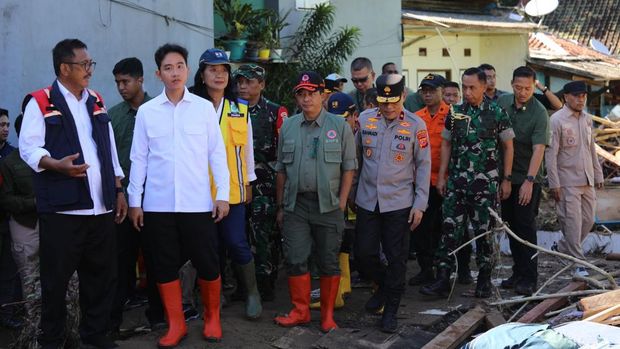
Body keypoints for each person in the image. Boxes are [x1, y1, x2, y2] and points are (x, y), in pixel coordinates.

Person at [19, 38, 127, 349]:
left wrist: (118, 188)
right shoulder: (40, 101)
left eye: (91, 64)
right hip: (63, 212)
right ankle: (52, 340)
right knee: (56, 282)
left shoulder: (95, 99)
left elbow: (109, 150)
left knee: (102, 279)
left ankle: (95, 336)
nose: (90, 70)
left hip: (100, 208)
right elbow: (29, 148)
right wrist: (56, 165)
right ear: (65, 68)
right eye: (84, 65)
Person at [128, 43, 230, 347]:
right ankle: (176, 324)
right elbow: (139, 159)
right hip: (158, 204)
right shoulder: (147, 113)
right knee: (163, 264)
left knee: (208, 262)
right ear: (159, 74)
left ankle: (212, 318)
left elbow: (217, 155)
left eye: (180, 66)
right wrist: (135, 201)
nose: (175, 73)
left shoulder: (203, 109)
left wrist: (222, 195)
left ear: (188, 70)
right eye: (169, 68)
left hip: (197, 203)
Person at [420, 67, 515, 299]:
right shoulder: (455, 113)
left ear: (484, 86)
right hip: (457, 183)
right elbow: (446, 144)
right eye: (465, 87)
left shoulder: (496, 112)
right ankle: (443, 278)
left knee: (484, 233)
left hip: (485, 186)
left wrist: (507, 179)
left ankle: (483, 279)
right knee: (449, 230)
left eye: (472, 87)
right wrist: (442, 176)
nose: (468, 92)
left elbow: (508, 146)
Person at [274, 71, 356, 333]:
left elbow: (348, 168)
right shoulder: (288, 126)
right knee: (296, 258)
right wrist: (280, 206)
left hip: (329, 205)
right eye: (301, 94)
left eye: (312, 93)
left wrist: (342, 204)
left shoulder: (339, 126)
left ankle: (328, 316)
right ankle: (300, 311)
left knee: (328, 261)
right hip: (296, 205)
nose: (307, 99)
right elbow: (281, 170)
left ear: (323, 95)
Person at [353, 74, 431, 333]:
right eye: (383, 102)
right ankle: (385, 286)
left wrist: (420, 204)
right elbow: (356, 160)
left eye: (393, 102)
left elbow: (423, 166)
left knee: (397, 258)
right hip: (367, 201)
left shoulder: (416, 125)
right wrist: (353, 193)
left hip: (399, 204)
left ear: (403, 97)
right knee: (364, 255)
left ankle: (392, 311)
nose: (387, 108)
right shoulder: (365, 120)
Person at [190, 49, 262, 320]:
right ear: (202, 74)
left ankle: (252, 292)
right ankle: (214, 295)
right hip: (199, 191)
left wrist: (249, 183)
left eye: (224, 69)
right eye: (212, 69)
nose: (219, 74)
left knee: (236, 242)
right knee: (209, 246)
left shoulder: (239, 108)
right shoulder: (192, 106)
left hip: (232, 189)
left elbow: (248, 151)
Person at [107, 57, 164, 334]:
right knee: (120, 261)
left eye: (125, 81)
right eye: (117, 82)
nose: (120, 87)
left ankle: (158, 315)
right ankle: (113, 319)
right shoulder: (113, 116)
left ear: (140, 80)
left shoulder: (159, 111)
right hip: (123, 201)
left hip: (155, 201)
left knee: (156, 260)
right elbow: (109, 159)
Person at [409, 74, 473, 287]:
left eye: (432, 90)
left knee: (455, 227)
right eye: (424, 90)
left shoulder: (455, 115)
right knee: (422, 229)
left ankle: (463, 269)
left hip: (449, 182)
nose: (427, 94)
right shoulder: (416, 118)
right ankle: (427, 269)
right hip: (422, 182)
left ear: (441, 91)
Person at [233, 63, 288, 301]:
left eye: (248, 81)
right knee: (238, 235)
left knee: (264, 235)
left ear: (262, 84)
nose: (243, 86)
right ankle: (242, 286)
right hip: (237, 181)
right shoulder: (231, 110)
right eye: (240, 82)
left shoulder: (276, 112)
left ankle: (265, 284)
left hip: (266, 184)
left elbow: (285, 154)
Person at [497, 66, 550, 296]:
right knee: (510, 225)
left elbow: (539, 149)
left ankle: (529, 277)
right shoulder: (503, 103)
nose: (522, 92)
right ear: (511, 84)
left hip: (528, 176)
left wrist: (529, 181)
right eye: (518, 87)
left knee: (526, 227)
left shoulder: (539, 112)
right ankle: (517, 272)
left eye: (527, 88)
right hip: (506, 176)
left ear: (533, 86)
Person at [545, 81, 603, 278]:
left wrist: (598, 173)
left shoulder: (587, 119)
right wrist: (554, 183)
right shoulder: (557, 120)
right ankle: (578, 263)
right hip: (567, 180)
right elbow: (550, 155)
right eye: (577, 96)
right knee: (573, 223)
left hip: (587, 179)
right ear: (566, 97)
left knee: (587, 220)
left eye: (584, 96)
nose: (581, 99)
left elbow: (591, 148)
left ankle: (561, 246)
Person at [309, 92, 358, 310]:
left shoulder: (360, 134)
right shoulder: (327, 132)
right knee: (338, 243)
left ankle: (379, 292)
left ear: (353, 116)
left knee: (367, 249)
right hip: (335, 200)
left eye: (344, 117)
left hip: (359, 200)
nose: (340, 121)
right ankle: (341, 290)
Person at [0, 114, 39, 323]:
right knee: (28, 275)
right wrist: (33, 203)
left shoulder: (47, 157)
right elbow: (6, 199)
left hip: (50, 223)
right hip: (24, 225)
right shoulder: (10, 162)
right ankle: (32, 320)